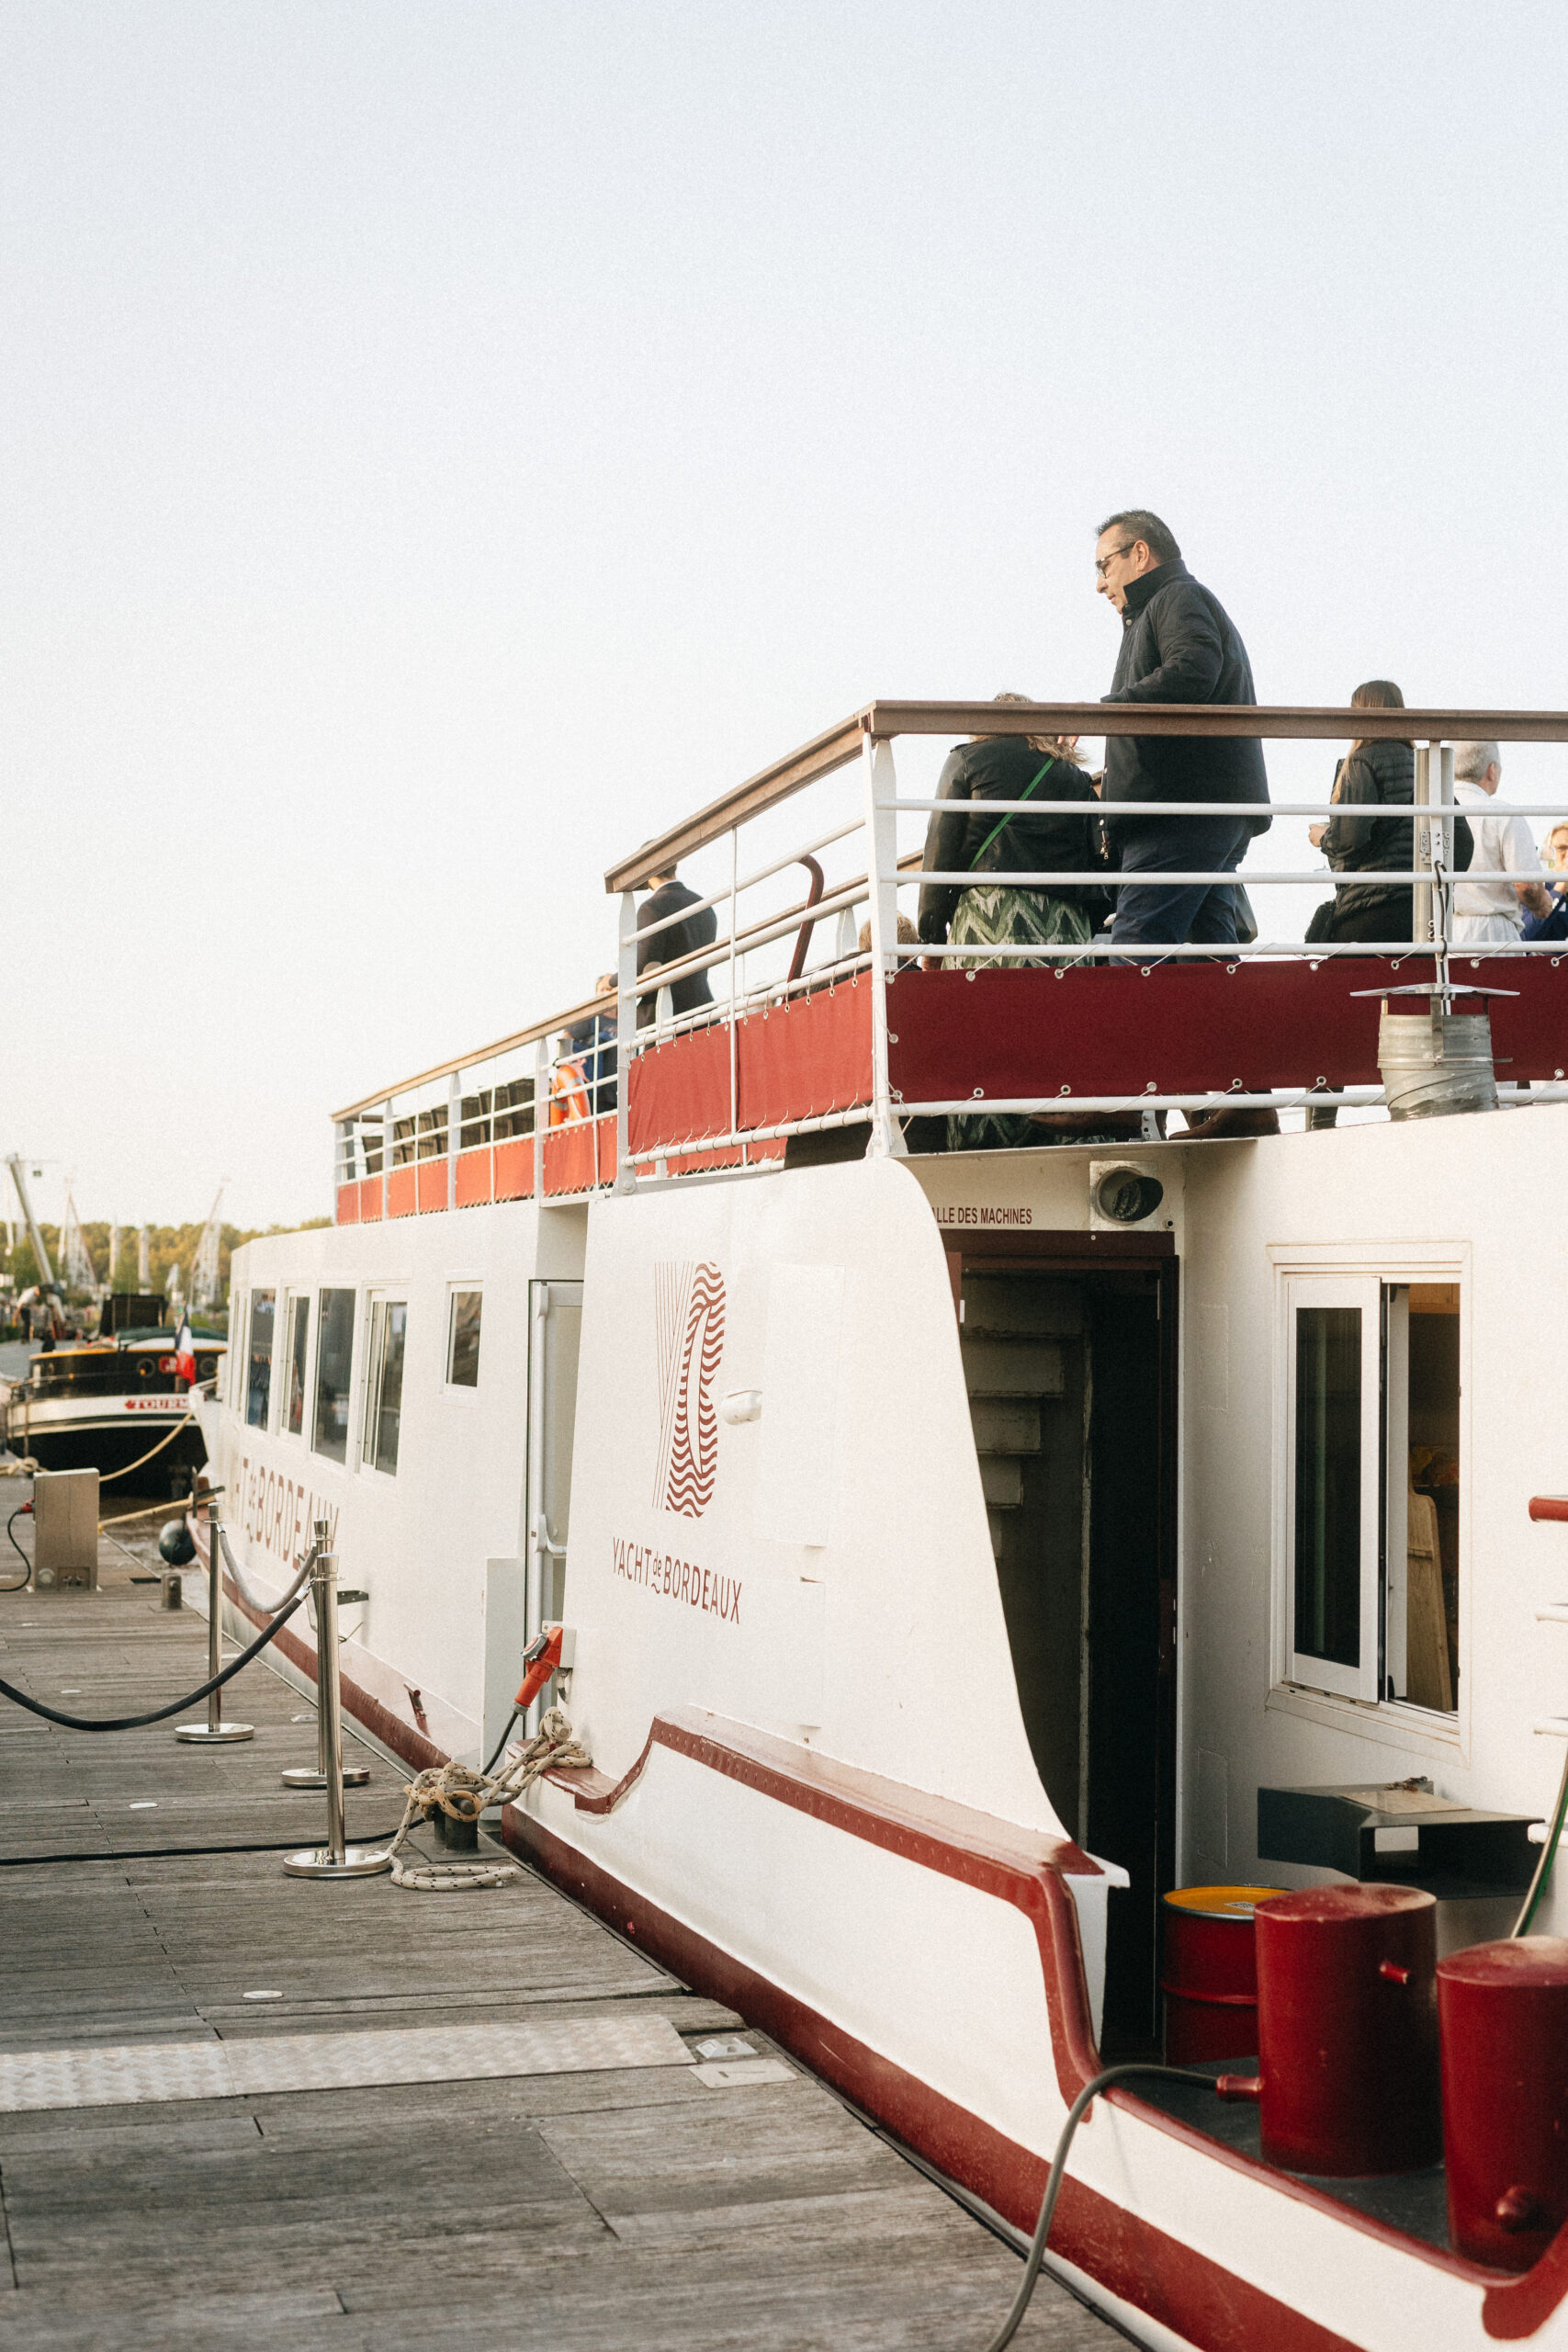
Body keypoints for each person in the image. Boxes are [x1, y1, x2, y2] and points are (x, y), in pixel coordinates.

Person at [917, 698, 1104, 1150]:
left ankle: (985, 1138)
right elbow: (1093, 865)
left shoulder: (967, 760)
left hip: (990, 915)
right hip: (1065, 926)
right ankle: (1067, 1137)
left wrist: (930, 933)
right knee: (1059, 1032)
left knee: (987, 1030)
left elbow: (941, 848)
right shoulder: (1074, 778)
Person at [1095, 510, 1269, 950]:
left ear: (1139, 554)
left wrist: (1108, 711)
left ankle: (1129, 1022)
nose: (1100, 584)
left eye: (1104, 566)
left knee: (1136, 949)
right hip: (1204, 809)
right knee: (1206, 955)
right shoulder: (1169, 603)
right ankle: (1220, 1020)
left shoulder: (1176, 598)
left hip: (1176, 814)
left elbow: (1192, 670)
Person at [1303, 681, 1474, 945]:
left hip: (1369, 912)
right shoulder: (1427, 768)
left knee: (1353, 984)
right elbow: (1462, 842)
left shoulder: (1360, 762)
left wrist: (1324, 837)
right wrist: (1431, 883)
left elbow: (1351, 836)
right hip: (1425, 914)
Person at [1451, 741, 1552, 945]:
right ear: (1491, 770)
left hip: (1444, 932)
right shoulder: (1503, 814)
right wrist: (1544, 905)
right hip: (1493, 934)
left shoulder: (1432, 813)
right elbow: (1527, 886)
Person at [636, 865, 716, 1030]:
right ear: (675, 866)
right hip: (705, 1011)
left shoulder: (652, 907)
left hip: (666, 1016)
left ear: (645, 874)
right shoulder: (704, 905)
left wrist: (610, 981)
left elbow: (644, 966)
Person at [561, 973, 618, 1114]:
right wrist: (573, 1065)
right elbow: (565, 1038)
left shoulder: (628, 1017)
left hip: (619, 1088)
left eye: (609, 989)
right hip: (597, 1089)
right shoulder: (591, 1017)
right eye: (602, 989)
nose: (606, 993)